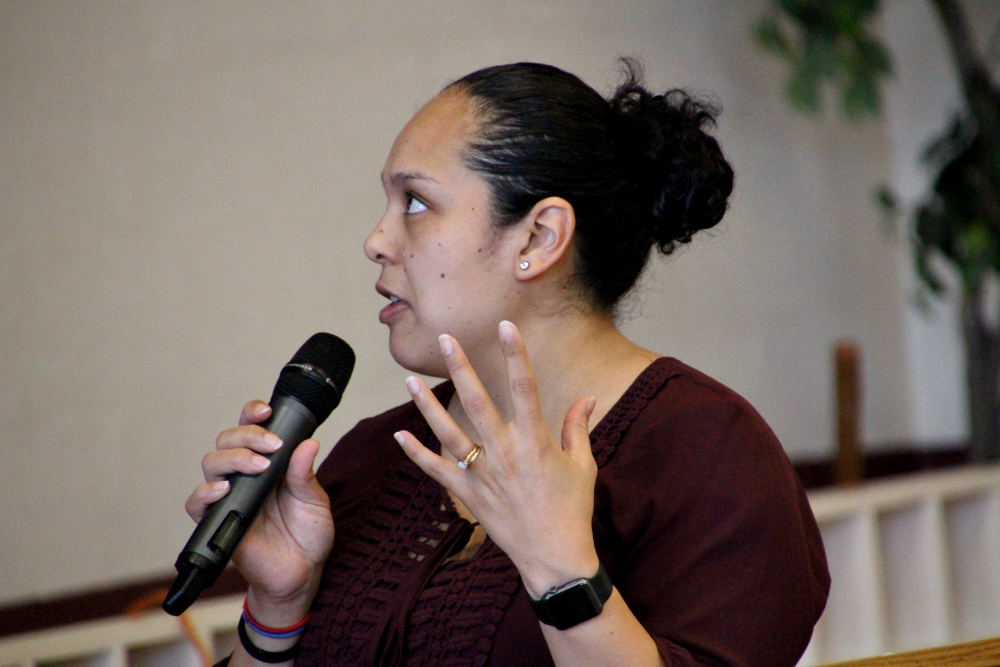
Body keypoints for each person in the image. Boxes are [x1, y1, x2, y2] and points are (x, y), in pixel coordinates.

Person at [187, 61, 830, 667]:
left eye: (414, 202)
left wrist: (563, 573)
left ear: (538, 238)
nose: (376, 241)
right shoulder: (375, 455)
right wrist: (279, 606)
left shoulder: (708, 453)